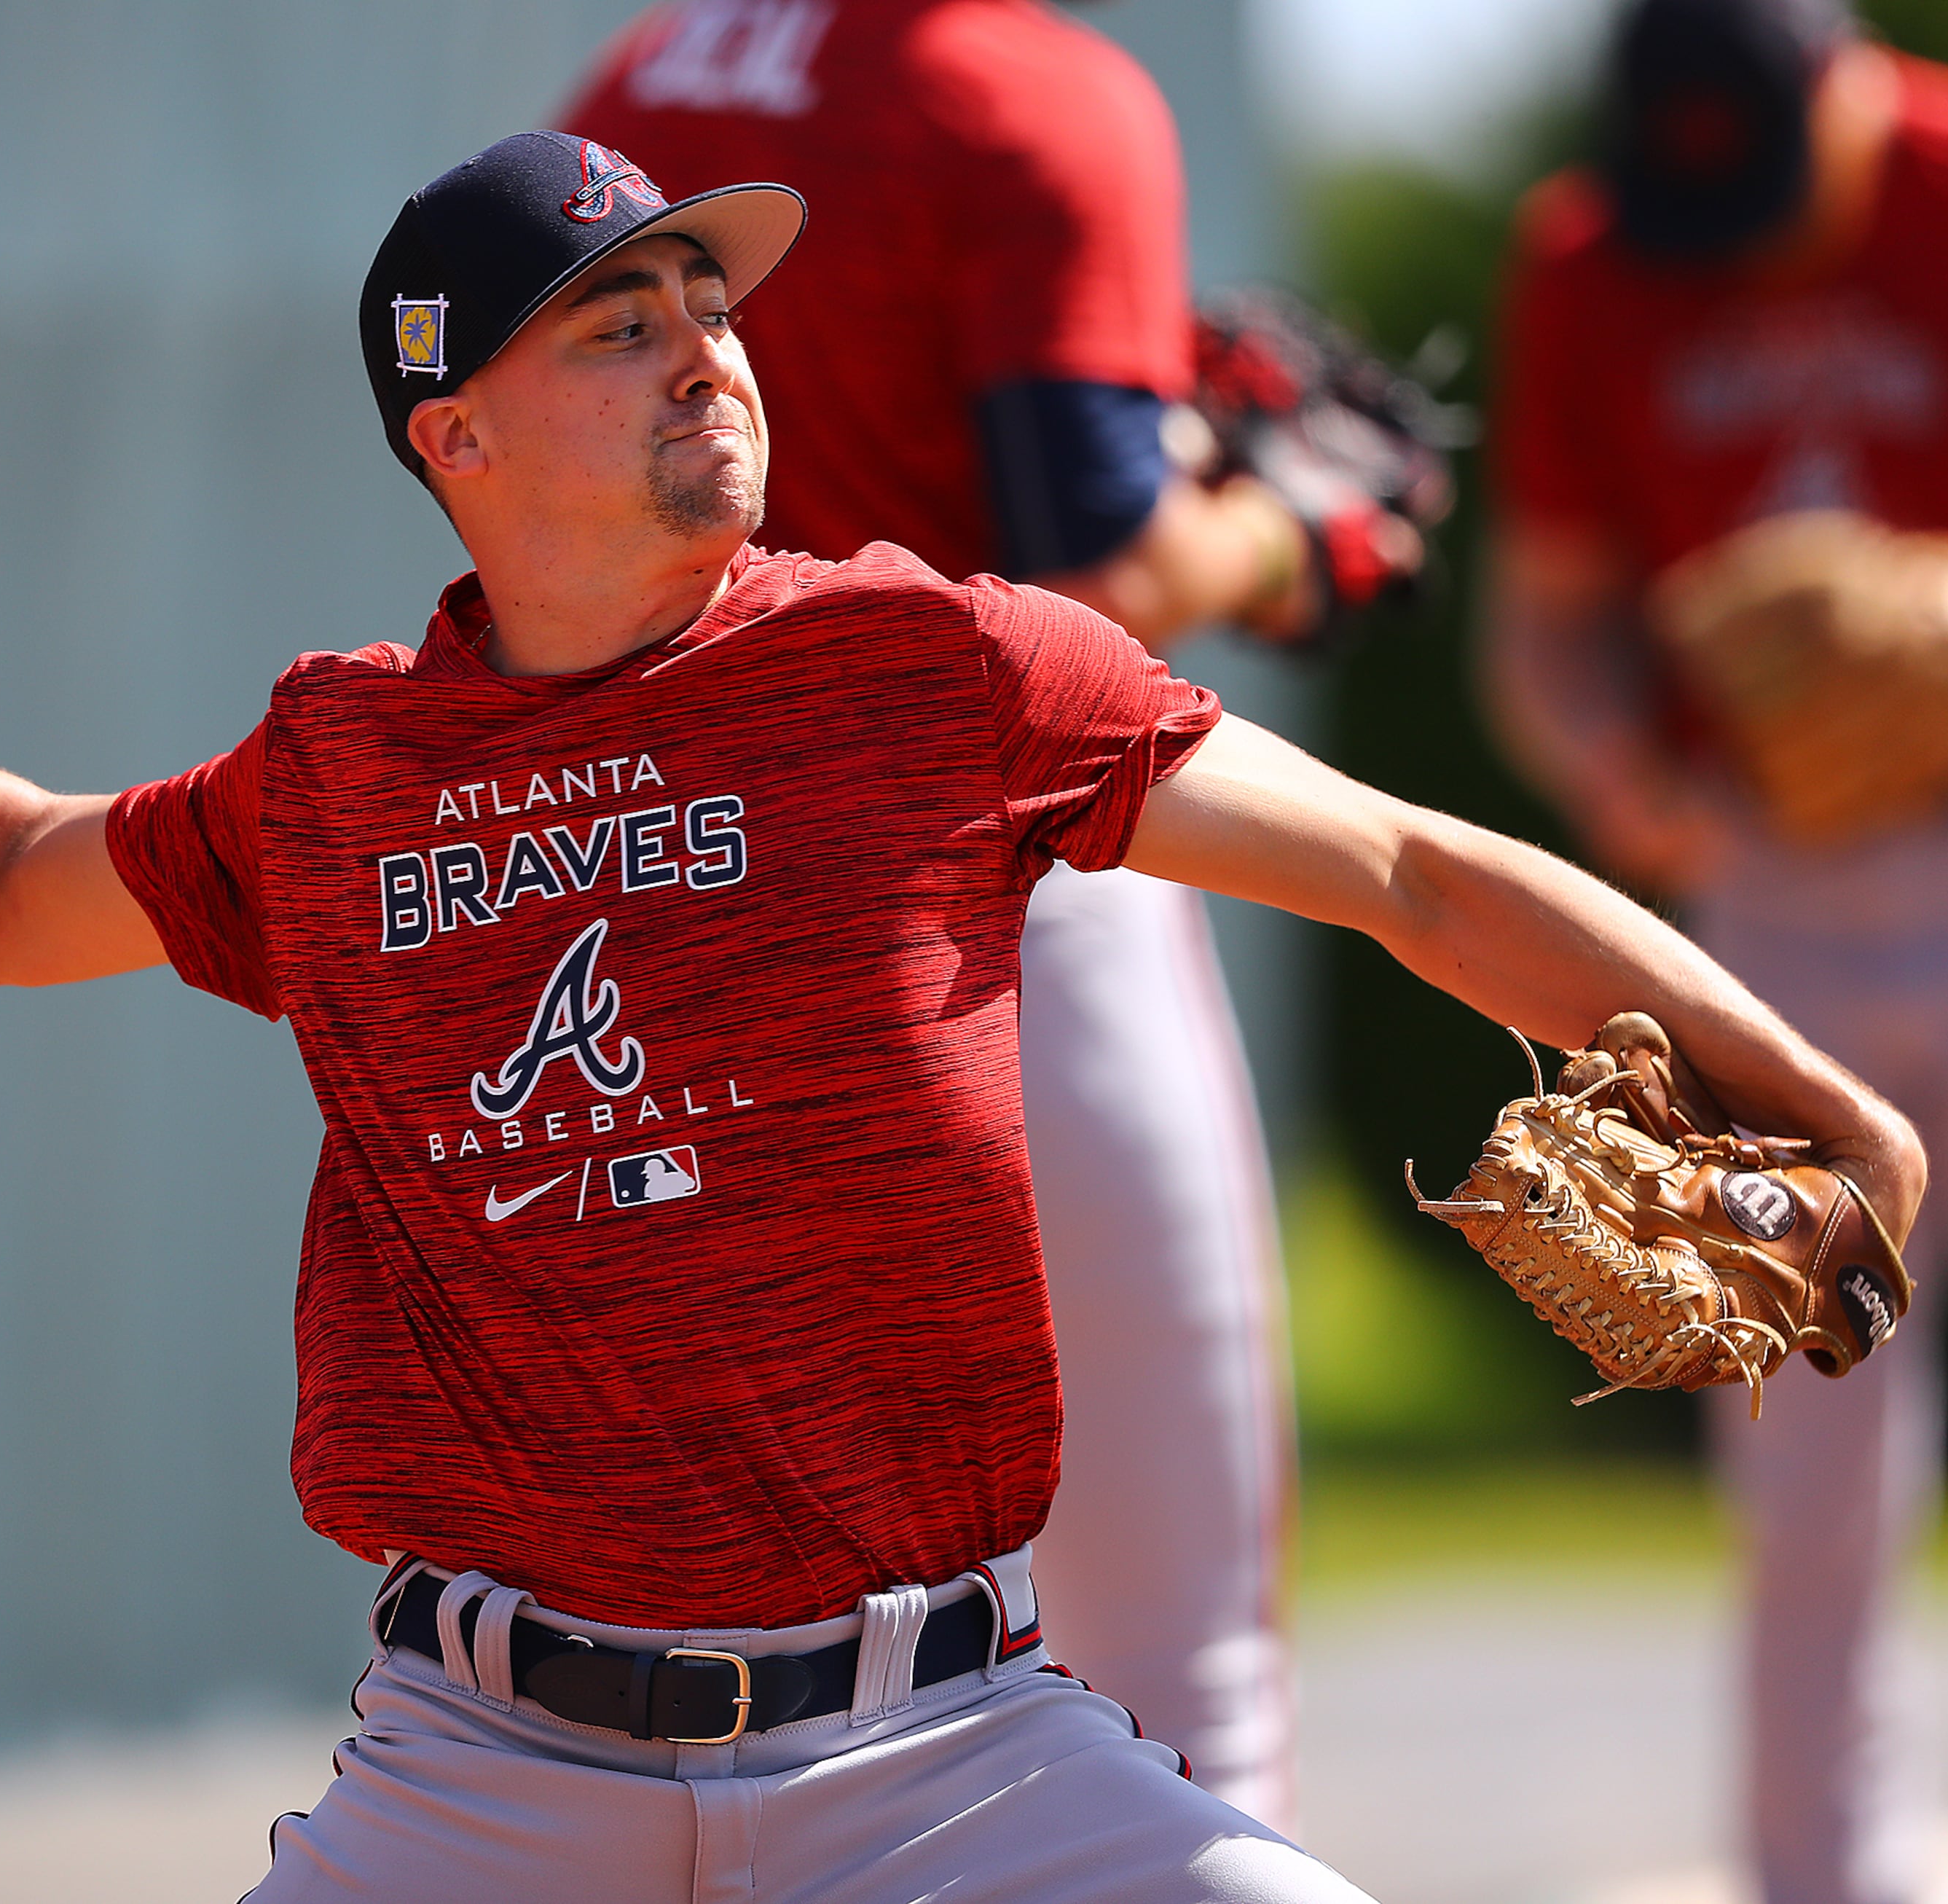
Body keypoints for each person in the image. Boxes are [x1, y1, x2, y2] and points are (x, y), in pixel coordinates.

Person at [0, 128, 1921, 1904]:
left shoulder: (928, 663)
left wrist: (1814, 1099)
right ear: (457, 435)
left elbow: (1404, 867)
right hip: (479, 1766)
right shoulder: (340, 770)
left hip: (944, 1755)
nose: (703, 352)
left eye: (710, 306)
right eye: (616, 322)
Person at [562, 1, 1426, 1825]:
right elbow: (1089, 562)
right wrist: (1283, 531)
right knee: (1177, 1665)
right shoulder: (1027, 92)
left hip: (664, 898)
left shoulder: (637, 81)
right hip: (995, 895)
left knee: (719, 1662)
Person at [1481, 3, 1948, 1899]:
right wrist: (1622, 770)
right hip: (1767, 893)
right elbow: (1546, 624)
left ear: (1843, 85)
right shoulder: (1593, 256)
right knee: (1805, 1462)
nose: (1725, 229)